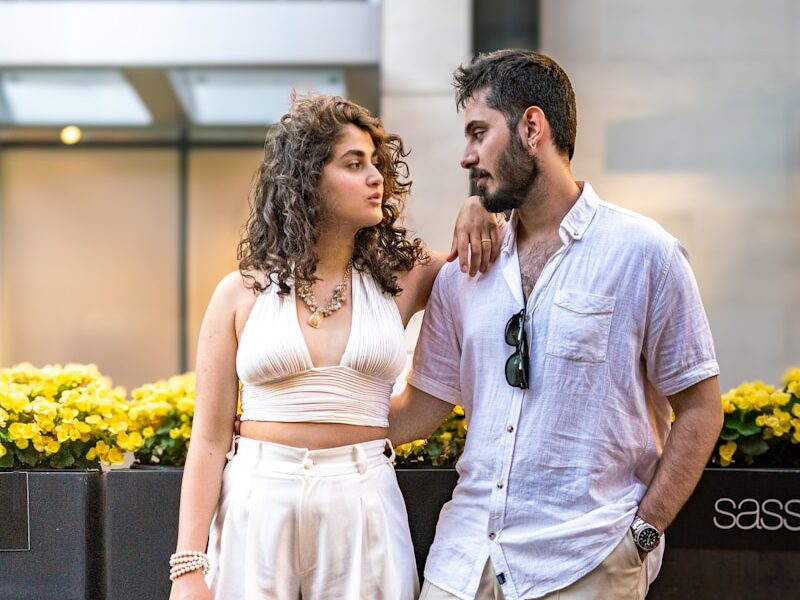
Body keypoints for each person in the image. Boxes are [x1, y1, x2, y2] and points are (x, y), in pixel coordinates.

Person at [389, 49, 723, 600]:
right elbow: (421, 409)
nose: (466, 157)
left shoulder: (644, 254)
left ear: (531, 127)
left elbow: (700, 407)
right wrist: (292, 421)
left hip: (585, 565)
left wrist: (642, 534)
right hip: (462, 565)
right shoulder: (465, 268)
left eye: (478, 132)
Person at [167, 94, 500, 600]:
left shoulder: (403, 277)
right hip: (257, 496)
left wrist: (479, 204)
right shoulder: (239, 293)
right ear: (307, 180)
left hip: (364, 494)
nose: (376, 179)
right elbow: (210, 440)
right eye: (354, 163)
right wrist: (189, 566)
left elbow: (492, 253)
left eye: (376, 164)